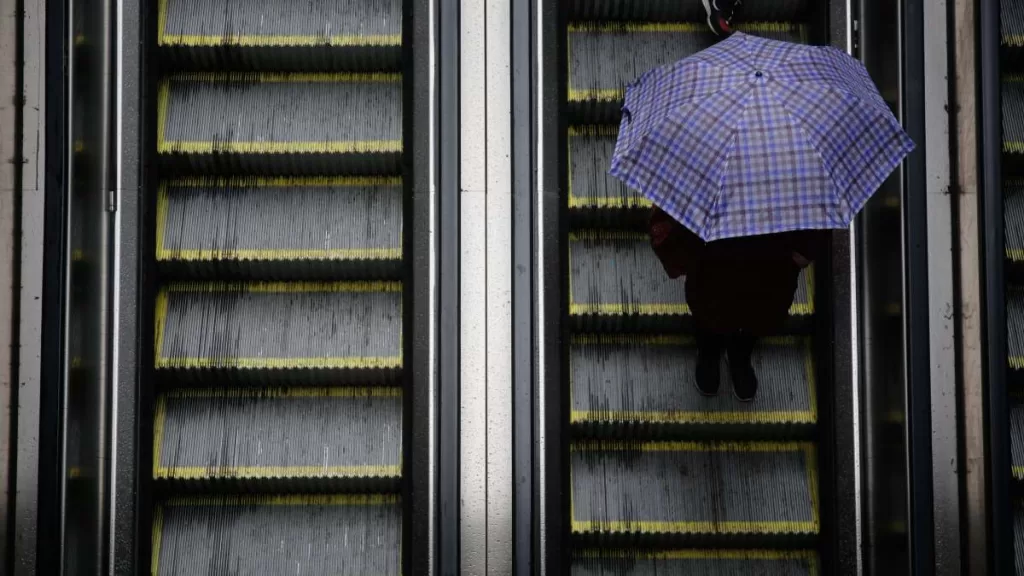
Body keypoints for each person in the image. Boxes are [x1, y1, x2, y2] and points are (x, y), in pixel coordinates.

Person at [648, 206, 827, 402]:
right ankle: (710, 352)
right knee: (710, 311)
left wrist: (804, 250)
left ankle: (738, 356)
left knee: (757, 315)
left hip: (770, 266)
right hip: (718, 262)